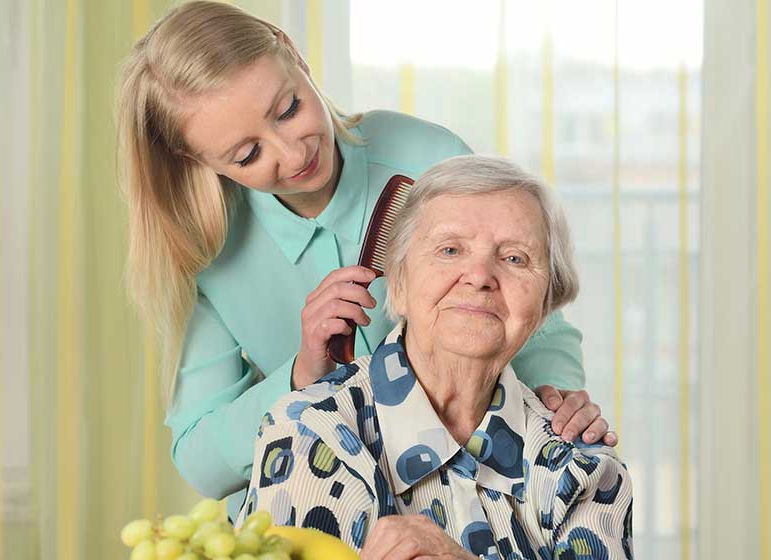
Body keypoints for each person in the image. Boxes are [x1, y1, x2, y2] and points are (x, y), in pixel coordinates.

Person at [116, 1, 615, 512]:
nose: (293, 155)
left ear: (293, 54)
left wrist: (557, 403)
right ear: (197, 160)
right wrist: (301, 376)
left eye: (288, 110)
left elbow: (532, 313)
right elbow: (202, 459)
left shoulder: (426, 159)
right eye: (247, 155)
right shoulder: (210, 254)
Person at [238, 155, 633, 559]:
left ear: (548, 302)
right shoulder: (308, 433)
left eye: (515, 258)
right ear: (399, 281)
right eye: (449, 249)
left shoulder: (583, 466)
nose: (479, 276)